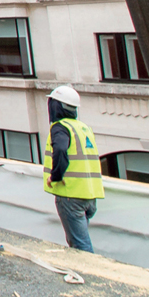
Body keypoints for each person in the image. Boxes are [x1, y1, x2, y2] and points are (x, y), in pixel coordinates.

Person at [43, 85, 104, 252]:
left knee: (80, 246)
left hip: (71, 195)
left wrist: (54, 176)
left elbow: (61, 151)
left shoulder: (60, 127)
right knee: (77, 241)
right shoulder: (83, 128)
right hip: (89, 196)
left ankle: (87, 275)